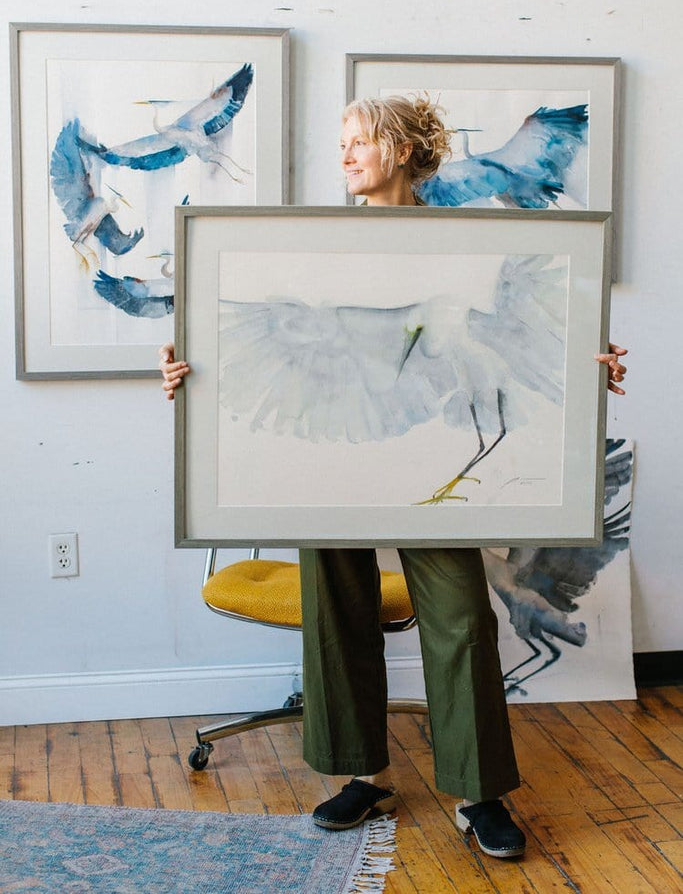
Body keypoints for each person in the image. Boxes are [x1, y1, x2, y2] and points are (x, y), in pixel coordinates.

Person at [160, 95, 627, 860]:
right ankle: (360, 774)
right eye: (339, 142)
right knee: (335, 613)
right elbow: (228, 327)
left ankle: (480, 794)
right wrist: (188, 368)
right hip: (333, 462)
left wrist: (589, 363)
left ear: (407, 148)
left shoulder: (472, 244)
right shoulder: (303, 246)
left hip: (426, 465)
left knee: (462, 622)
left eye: (360, 141)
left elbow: (539, 325)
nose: (344, 155)